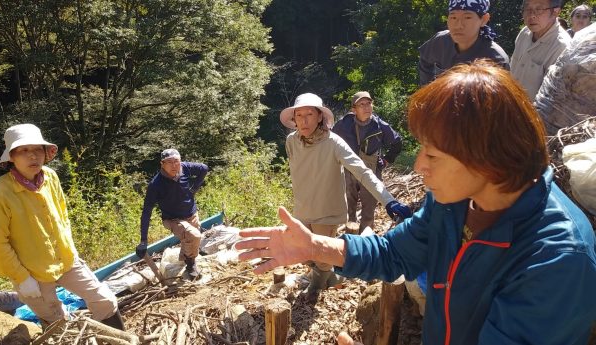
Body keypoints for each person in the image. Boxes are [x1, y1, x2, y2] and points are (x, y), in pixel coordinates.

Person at [236, 62, 596, 345]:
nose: (419, 165)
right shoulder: (453, 203)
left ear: (489, 158)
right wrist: (315, 246)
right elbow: (394, 253)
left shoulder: (558, 259)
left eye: (433, 155)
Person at [0, 124, 124, 331]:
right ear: (11, 156)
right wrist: (23, 279)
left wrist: (71, 248)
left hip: (65, 259)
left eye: (37, 149)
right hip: (32, 272)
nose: (33, 156)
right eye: (23, 150)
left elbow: (62, 214)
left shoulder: (50, 177)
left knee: (104, 300)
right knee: (55, 319)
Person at [279, 92, 411, 296]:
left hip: (327, 210)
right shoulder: (291, 141)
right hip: (302, 208)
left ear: (320, 116)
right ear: (294, 119)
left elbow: (363, 172)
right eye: (299, 115)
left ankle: (316, 286)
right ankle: (332, 276)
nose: (304, 120)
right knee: (304, 252)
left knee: (321, 253)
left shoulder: (334, 143)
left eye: (309, 114)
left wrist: (389, 201)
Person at [332, 91, 403, 233]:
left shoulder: (379, 126)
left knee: (369, 210)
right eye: (362, 104)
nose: (366, 107)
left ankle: (366, 241)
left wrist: (387, 159)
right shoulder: (343, 124)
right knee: (348, 208)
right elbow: (331, 141)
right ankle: (350, 239)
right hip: (348, 170)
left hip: (371, 171)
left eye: (369, 103)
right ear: (354, 109)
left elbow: (397, 142)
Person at [136, 149, 208, 281]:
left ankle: (187, 258)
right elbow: (146, 212)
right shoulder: (156, 185)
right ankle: (191, 266)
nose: (174, 165)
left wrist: (195, 187)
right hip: (173, 219)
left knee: (190, 240)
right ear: (162, 163)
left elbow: (204, 168)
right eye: (169, 162)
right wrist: (143, 241)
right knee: (194, 236)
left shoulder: (185, 168)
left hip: (191, 214)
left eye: (177, 161)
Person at [418, 0, 509, 86]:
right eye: (453, 17)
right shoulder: (440, 41)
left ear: (484, 20)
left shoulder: (496, 59)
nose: (458, 25)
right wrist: (429, 91)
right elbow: (425, 61)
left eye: (467, 17)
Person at [510, 0, 571, 101]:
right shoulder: (524, 33)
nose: (531, 15)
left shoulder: (562, 47)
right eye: (527, 9)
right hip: (511, 105)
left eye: (539, 9)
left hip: (533, 114)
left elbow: (553, 100)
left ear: (555, 12)